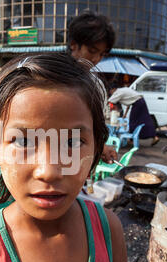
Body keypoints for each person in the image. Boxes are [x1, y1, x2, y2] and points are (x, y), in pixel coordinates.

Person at [0, 53, 136, 262]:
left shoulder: (108, 229)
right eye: (22, 142)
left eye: (72, 142)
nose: (49, 171)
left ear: (97, 147)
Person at [67, 11, 118, 163]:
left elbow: (94, 128)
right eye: (92, 51)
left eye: (101, 54)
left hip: (81, 162)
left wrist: (101, 146)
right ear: (74, 45)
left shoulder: (97, 85)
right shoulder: (54, 78)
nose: (96, 59)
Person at [108, 82, 159, 146]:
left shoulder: (118, 92)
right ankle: (155, 137)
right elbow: (129, 104)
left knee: (133, 121)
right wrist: (125, 114)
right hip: (142, 102)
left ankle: (131, 140)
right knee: (146, 120)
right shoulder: (124, 89)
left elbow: (110, 101)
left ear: (113, 89)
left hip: (137, 104)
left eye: (110, 92)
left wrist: (110, 110)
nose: (111, 93)